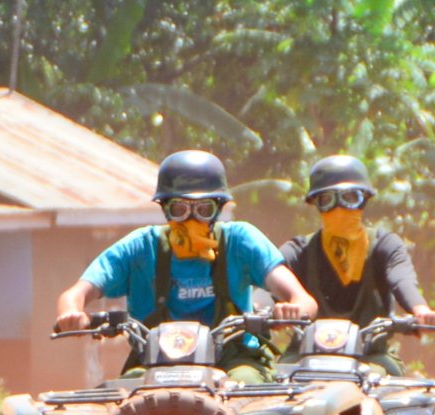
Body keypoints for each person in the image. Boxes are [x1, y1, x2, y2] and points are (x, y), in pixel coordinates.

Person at [52, 149, 316, 383]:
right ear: (165, 209)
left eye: (203, 209)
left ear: (219, 209)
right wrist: (72, 313)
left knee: (248, 386)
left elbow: (303, 299)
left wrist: (291, 310)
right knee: (124, 394)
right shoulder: (140, 248)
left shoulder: (240, 240)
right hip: (155, 362)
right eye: (179, 209)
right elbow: (76, 293)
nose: (191, 218)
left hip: (235, 360)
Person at [280, 154, 435, 372]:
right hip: (303, 358)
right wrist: (263, 310)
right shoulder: (299, 251)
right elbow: (269, 275)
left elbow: (401, 280)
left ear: (365, 199)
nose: (339, 208)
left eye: (349, 197)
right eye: (327, 200)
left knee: (377, 385)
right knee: (272, 383)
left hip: (371, 358)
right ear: (315, 205)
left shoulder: (385, 245)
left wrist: (420, 309)